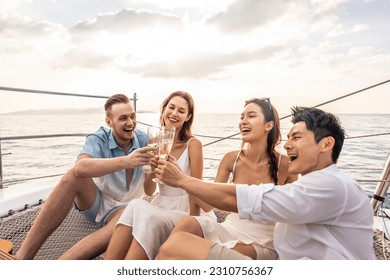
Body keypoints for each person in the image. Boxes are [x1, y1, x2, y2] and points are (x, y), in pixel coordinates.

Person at [155, 106, 375, 260]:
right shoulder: (312, 183)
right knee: (179, 240)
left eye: (296, 137)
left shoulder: (332, 185)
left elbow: (244, 198)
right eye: (288, 138)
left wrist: (182, 179)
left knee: (176, 246)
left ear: (326, 144)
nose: (287, 145)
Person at [14, 94, 154, 260]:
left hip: (126, 209)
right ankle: (21, 257)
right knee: (72, 176)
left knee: (130, 211)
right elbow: (80, 168)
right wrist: (126, 161)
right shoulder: (98, 138)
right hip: (96, 201)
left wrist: (153, 168)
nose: (130, 123)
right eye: (123, 118)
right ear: (109, 122)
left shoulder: (146, 140)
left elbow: (150, 190)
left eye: (132, 116)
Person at [158, 97, 297, 260]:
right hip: (230, 227)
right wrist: (181, 177)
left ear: (269, 125)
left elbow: (294, 213)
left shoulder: (286, 164)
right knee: (187, 224)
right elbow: (209, 203)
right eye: (241, 117)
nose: (243, 121)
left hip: (261, 239)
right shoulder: (231, 159)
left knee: (177, 249)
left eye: (251, 116)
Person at [104, 91, 214, 260]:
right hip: (162, 204)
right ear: (163, 110)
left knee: (145, 213)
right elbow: (149, 191)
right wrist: (152, 171)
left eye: (181, 110)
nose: (174, 113)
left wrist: (193, 226)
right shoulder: (153, 142)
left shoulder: (193, 144)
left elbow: (197, 191)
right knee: (134, 205)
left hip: (186, 209)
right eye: (171, 107)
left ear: (188, 117)